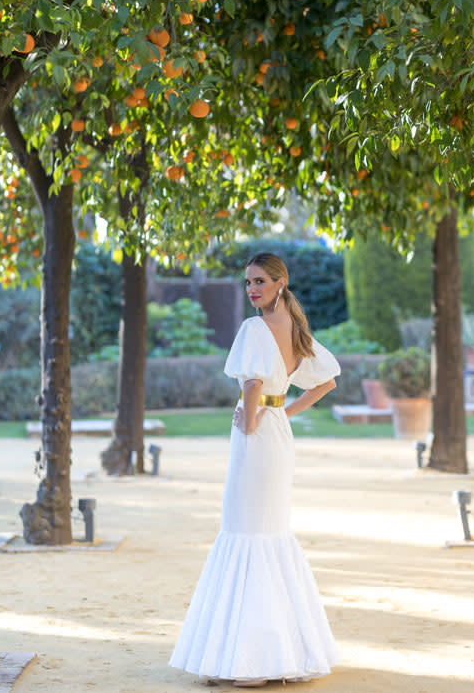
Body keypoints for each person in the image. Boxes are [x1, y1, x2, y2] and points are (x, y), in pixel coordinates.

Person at [169, 252, 341, 687]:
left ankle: (247, 662)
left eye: (260, 281)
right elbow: (326, 381)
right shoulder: (296, 330)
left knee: (246, 532)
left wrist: (250, 419)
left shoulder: (253, 329)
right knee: (265, 534)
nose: (252, 290)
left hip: (257, 440)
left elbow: (252, 385)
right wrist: (281, 411)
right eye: (248, 283)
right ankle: (261, 657)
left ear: (280, 283)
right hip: (277, 436)